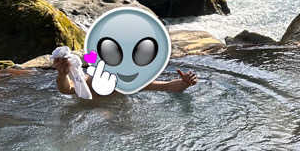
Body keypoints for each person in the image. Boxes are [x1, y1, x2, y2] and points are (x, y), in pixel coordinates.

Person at [53, 50, 197, 98]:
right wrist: (62, 74)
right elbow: (67, 89)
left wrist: (185, 83)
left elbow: (167, 87)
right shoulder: (93, 81)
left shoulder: (127, 83)